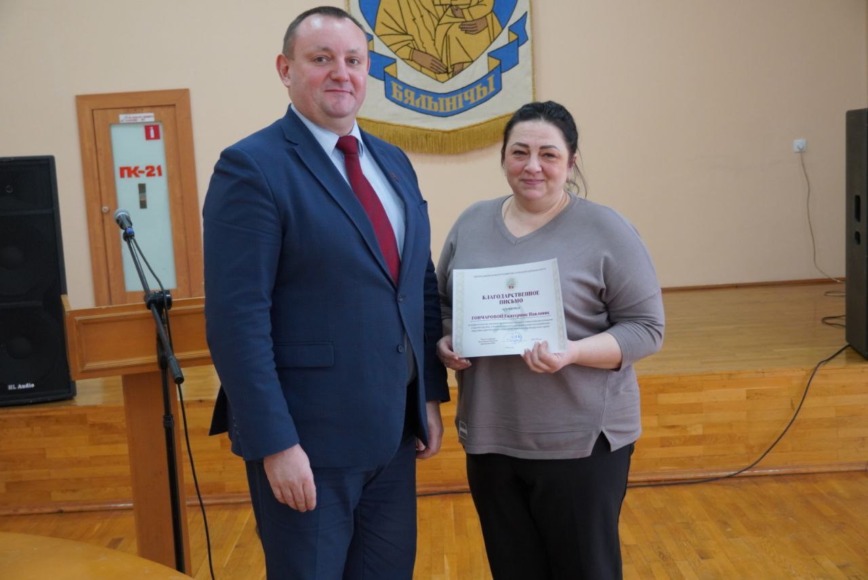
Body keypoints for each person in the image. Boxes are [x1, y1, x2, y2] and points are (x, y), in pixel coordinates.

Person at [203, 6, 449, 579]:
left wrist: (429, 397)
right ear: (285, 69)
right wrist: (275, 444)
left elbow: (418, 284)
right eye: (322, 58)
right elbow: (238, 321)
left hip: (393, 435)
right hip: (308, 445)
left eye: (354, 60)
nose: (342, 73)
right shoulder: (251, 167)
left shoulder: (392, 161)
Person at [436, 101, 665, 579]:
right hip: (492, 438)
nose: (532, 166)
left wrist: (573, 352)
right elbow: (441, 305)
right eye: (519, 152)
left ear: (571, 161)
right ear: (503, 157)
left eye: (549, 154)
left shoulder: (607, 229)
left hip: (580, 443)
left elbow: (646, 328)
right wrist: (445, 339)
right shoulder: (471, 223)